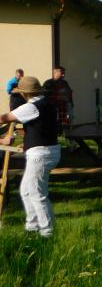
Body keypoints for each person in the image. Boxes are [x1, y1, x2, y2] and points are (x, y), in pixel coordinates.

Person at [0, 76, 61, 236]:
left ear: (23, 93)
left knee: (36, 193)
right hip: (47, 150)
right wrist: (27, 143)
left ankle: (47, 232)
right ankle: (32, 227)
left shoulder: (31, 107)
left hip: (41, 154)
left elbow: (3, 118)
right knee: (26, 191)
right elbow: (41, 129)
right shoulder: (46, 103)